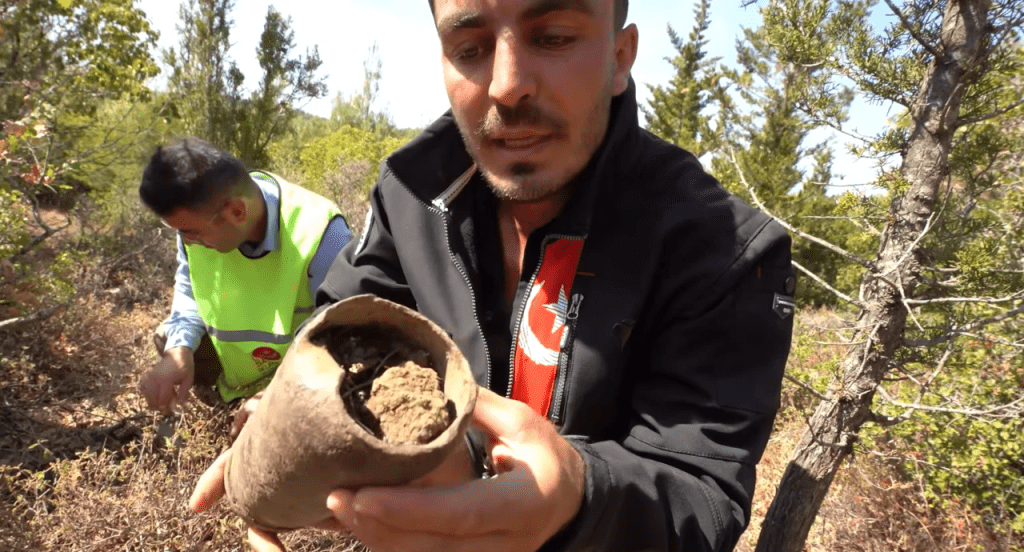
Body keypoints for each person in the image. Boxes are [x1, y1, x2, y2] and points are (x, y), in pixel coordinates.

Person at [190, 0, 797, 550]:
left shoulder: (724, 250)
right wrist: (284, 418)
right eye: (470, 49)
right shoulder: (413, 193)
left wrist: (577, 501)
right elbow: (346, 329)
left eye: (554, 37)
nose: (507, 87)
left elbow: (702, 492)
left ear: (619, 56)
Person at [138, 137, 353, 413]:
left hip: (299, 372)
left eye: (191, 231)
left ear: (237, 211)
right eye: (179, 231)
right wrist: (178, 350)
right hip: (239, 373)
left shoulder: (322, 234)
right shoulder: (200, 219)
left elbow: (340, 337)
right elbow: (189, 289)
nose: (187, 241)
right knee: (168, 336)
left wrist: (277, 396)